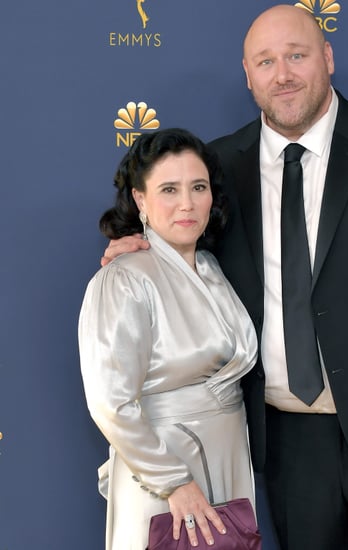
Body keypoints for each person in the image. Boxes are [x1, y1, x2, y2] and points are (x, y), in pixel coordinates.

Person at [102, 5, 348, 550]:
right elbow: (183, 244)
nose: (282, 73)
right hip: (285, 438)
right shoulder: (218, 169)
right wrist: (140, 243)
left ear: (327, 58)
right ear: (248, 75)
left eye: (296, 55)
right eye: (265, 61)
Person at [79, 128, 258, 549]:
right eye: (169, 189)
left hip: (228, 459)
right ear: (140, 199)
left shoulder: (214, 268)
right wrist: (174, 482)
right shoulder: (122, 278)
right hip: (165, 471)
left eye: (198, 187)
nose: (187, 203)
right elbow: (110, 401)